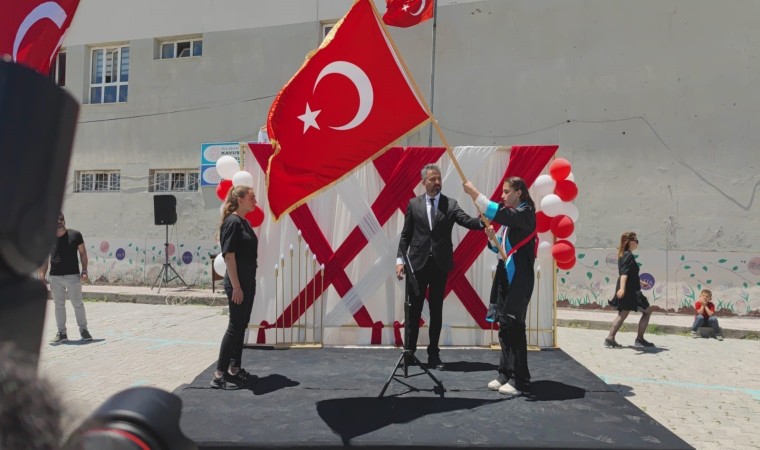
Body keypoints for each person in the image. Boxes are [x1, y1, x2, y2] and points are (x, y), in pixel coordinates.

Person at [396, 164, 484, 370]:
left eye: (439, 179)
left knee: (436, 311)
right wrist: (400, 260)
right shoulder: (414, 204)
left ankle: (433, 354)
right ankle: (409, 353)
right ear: (423, 182)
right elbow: (406, 235)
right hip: (416, 265)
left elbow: (467, 221)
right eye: (432, 179)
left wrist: (482, 222)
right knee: (413, 311)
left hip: (439, 265)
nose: (437, 182)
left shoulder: (450, 204)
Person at [463, 177, 537, 396]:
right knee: (504, 326)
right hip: (505, 274)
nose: (503, 196)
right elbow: (502, 250)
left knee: (515, 327)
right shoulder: (512, 218)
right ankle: (505, 372)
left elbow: (497, 212)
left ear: (519, 192)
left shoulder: (525, 213)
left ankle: (520, 380)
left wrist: (474, 192)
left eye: (507, 192)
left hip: (519, 278)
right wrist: (492, 239)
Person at [210, 185, 259, 389]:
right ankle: (219, 374)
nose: (255, 201)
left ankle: (234, 368)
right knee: (234, 326)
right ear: (240, 199)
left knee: (241, 325)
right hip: (237, 283)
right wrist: (237, 287)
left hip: (247, 281)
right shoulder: (232, 222)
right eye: (251, 198)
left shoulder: (244, 222)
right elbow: (229, 256)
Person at [39, 213, 92, 344]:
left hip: (73, 276)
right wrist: (41, 276)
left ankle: (84, 330)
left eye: (61, 220)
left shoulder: (75, 235)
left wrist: (84, 271)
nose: (59, 222)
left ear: (64, 221)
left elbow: (83, 253)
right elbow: (45, 259)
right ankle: (62, 333)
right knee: (59, 305)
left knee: (77, 304)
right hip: (55, 277)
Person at [604, 231, 654, 348]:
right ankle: (639, 339)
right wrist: (622, 289)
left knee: (623, 313)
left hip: (628, 288)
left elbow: (629, 274)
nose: (637, 243)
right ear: (629, 242)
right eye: (636, 240)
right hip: (630, 290)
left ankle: (610, 338)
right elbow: (624, 274)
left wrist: (640, 282)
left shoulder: (623, 254)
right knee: (647, 311)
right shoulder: (628, 255)